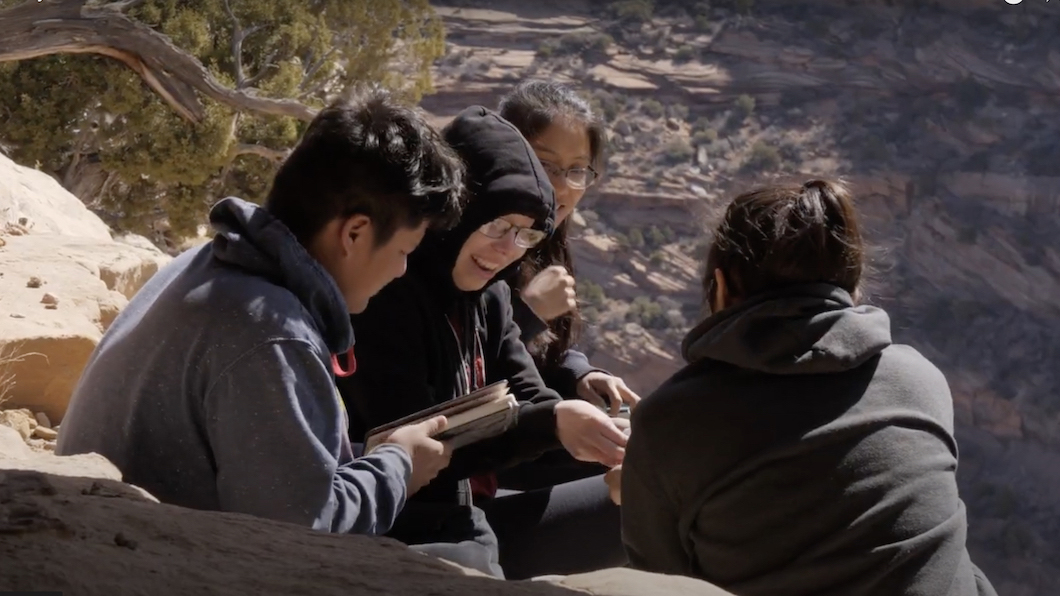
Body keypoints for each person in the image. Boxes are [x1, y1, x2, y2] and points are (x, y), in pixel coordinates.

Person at [56, 88, 465, 543]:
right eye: (404, 250)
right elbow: (298, 535)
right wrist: (398, 468)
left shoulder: (205, 268)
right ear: (354, 232)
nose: (402, 270)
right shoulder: (271, 332)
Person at [614, 180, 998, 596]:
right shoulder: (919, 378)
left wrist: (640, 490)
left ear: (720, 288)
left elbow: (660, 581)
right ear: (851, 291)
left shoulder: (673, 419)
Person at [335, 105, 629, 580]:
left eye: (526, 234)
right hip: (402, 527)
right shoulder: (390, 296)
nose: (508, 248)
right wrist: (552, 424)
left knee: (642, 496)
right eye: (496, 226)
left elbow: (529, 391)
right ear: (460, 210)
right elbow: (422, 449)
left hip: (471, 509)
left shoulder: (489, 293)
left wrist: (591, 427)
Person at [493, 79, 642, 490]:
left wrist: (580, 374)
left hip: (527, 440)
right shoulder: (471, 249)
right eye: (543, 164)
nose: (560, 186)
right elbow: (460, 383)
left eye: (576, 170)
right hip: (482, 471)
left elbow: (542, 356)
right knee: (644, 485)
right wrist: (527, 313)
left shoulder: (547, 243)